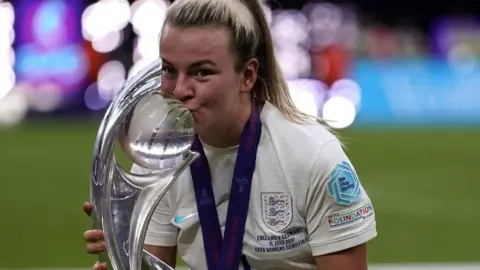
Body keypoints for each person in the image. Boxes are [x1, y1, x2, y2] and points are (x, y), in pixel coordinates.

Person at [82, 0, 377, 269]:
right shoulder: (158, 160)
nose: (180, 90)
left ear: (247, 76)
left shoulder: (313, 159)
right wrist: (124, 256)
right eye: (170, 70)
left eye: (202, 72)